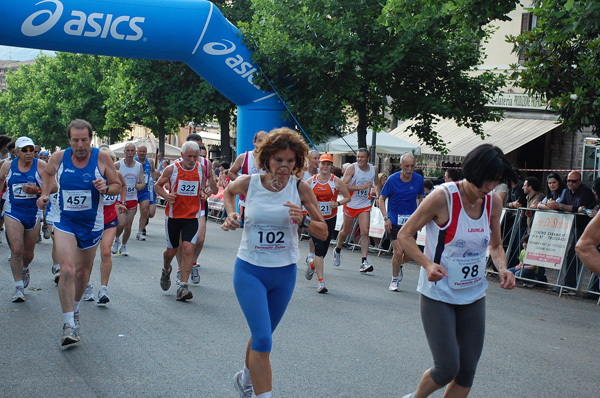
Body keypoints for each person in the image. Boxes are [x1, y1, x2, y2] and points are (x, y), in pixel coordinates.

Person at [398, 144, 517, 398]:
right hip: (438, 293)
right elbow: (405, 234)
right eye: (484, 182)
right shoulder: (442, 197)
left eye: (494, 183)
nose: (487, 189)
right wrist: (427, 263)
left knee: (467, 371)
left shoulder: (492, 202)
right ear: (472, 172)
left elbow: (495, 245)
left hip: (473, 293)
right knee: (447, 368)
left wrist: (503, 268)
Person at [222, 127, 327, 398]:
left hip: (284, 273)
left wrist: (303, 219)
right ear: (267, 158)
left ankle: (246, 377)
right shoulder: (250, 182)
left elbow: (323, 231)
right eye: (279, 160)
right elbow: (228, 192)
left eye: (291, 161)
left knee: (262, 334)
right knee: (264, 340)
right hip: (250, 269)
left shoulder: (300, 188)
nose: (284, 166)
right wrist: (232, 213)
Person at [37, 119, 121, 346]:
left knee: (83, 273)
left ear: (91, 139)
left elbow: (116, 185)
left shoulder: (101, 158)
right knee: (67, 269)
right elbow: (48, 174)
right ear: (69, 140)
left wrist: (106, 187)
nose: (80, 144)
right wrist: (45, 194)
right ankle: (68, 324)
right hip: (65, 222)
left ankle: (74, 311)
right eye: (75, 140)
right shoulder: (58, 158)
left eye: (84, 140)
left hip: (93, 224)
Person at [154, 141, 207, 301]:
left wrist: (204, 194)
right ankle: (166, 269)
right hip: (174, 217)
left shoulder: (201, 168)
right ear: (182, 155)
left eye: (195, 156)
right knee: (171, 251)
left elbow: (203, 188)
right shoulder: (172, 169)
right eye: (189, 156)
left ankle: (183, 286)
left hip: (192, 216)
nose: (192, 159)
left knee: (188, 249)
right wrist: (166, 196)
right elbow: (158, 186)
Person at [0, 137, 47, 302]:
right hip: (13, 211)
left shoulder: (41, 166)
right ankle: (18, 287)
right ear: (17, 152)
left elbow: (54, 185)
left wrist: (38, 189)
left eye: (31, 149)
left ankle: (25, 267)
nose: (29, 153)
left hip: (33, 213)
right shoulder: (8, 166)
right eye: (25, 150)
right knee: (17, 249)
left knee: (28, 253)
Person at [83, 147, 128, 304]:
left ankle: (103, 289)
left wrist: (121, 202)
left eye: (110, 160)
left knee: (106, 252)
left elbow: (123, 186)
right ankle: (87, 286)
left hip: (109, 219)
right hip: (91, 220)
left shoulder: (117, 175)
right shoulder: (90, 175)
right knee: (89, 257)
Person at [304, 153, 351, 293]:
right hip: (314, 220)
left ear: (331, 166)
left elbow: (347, 197)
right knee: (318, 249)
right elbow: (302, 197)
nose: (325, 166)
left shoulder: (336, 181)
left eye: (328, 164)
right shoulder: (310, 181)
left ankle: (312, 265)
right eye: (323, 163)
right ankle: (321, 282)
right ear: (319, 165)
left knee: (323, 251)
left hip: (330, 219)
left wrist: (337, 203)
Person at [541, 170, 595, 290]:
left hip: (585, 228)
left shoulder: (585, 191)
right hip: (570, 227)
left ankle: (583, 287)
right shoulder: (567, 192)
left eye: (574, 181)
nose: (571, 183)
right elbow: (558, 206)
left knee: (579, 256)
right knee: (568, 255)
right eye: (568, 181)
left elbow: (578, 208)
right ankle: (567, 284)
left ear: (580, 181)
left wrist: (560, 206)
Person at [378, 154, 424, 291]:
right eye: (407, 166)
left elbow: (421, 198)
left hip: (411, 222)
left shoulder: (418, 179)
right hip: (395, 220)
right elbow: (381, 199)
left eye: (412, 166)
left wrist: (420, 219)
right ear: (401, 166)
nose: (410, 169)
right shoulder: (392, 180)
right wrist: (386, 218)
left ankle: (398, 266)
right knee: (398, 252)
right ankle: (394, 280)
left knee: (409, 254)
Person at [332, 148, 381, 273]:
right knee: (346, 232)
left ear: (367, 158)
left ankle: (364, 261)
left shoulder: (373, 169)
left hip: (364, 204)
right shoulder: (352, 168)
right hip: (351, 203)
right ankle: (337, 249)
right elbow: (343, 185)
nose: (359, 159)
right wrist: (360, 187)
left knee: (365, 232)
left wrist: (379, 196)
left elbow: (377, 183)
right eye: (358, 156)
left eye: (362, 157)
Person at [111, 142, 145, 256]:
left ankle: (124, 245)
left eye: (132, 151)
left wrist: (140, 186)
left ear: (135, 152)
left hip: (133, 198)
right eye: (128, 151)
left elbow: (142, 182)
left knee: (128, 225)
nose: (130, 153)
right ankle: (116, 240)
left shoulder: (138, 166)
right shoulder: (118, 165)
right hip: (120, 199)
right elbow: (111, 180)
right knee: (121, 223)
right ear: (124, 152)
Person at [135, 144, 161, 240]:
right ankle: (140, 229)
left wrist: (154, 181)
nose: (142, 153)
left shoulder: (150, 161)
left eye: (144, 151)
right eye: (140, 151)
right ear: (137, 152)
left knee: (149, 213)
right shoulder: (134, 161)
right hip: (135, 189)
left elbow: (153, 171)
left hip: (147, 189)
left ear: (146, 152)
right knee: (132, 213)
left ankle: (142, 228)